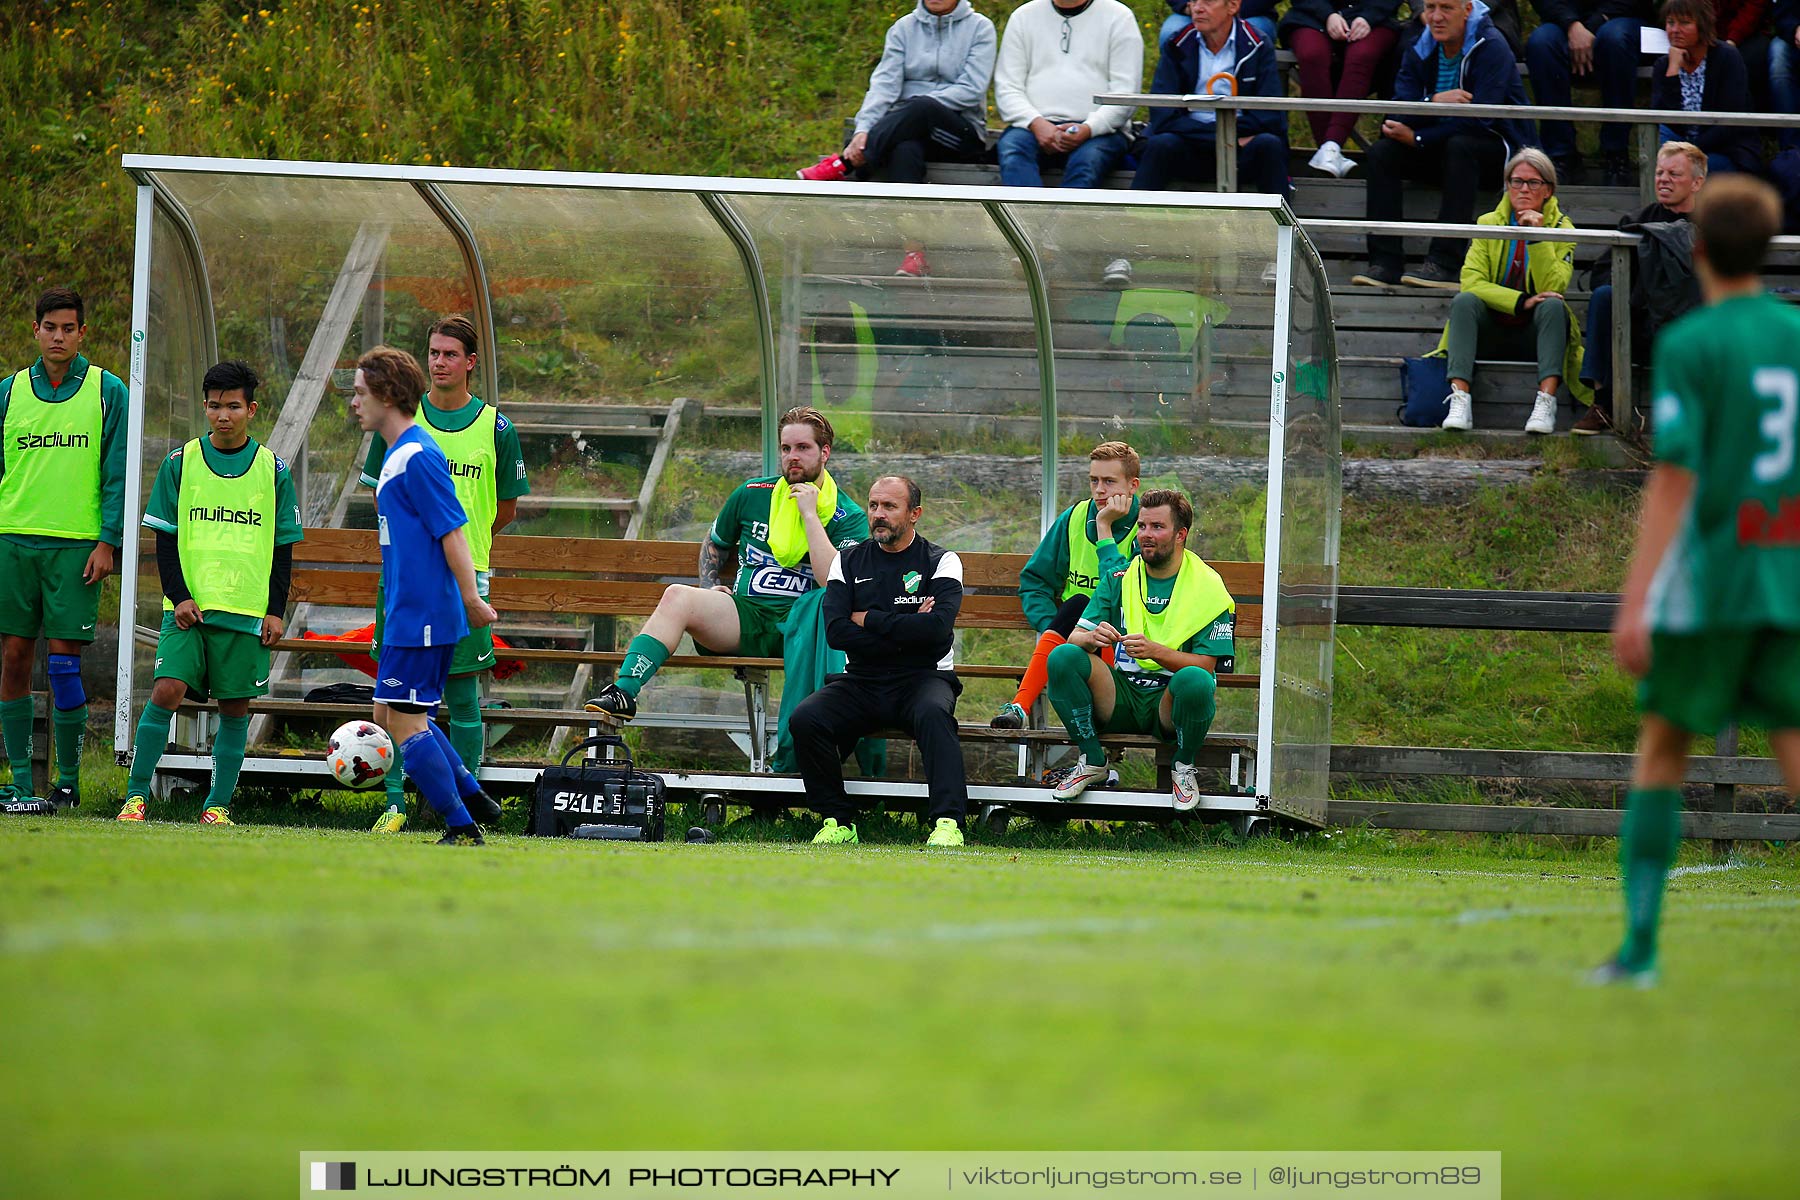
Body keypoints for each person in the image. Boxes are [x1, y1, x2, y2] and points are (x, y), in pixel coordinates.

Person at [1595, 175, 1800, 987]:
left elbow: (1674, 479)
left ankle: (1639, 951)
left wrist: (1637, 598)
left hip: (1714, 577)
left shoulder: (1692, 344)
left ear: (1699, 248)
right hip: (1787, 572)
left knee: (1662, 751)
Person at [584, 406, 868, 722]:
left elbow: (834, 582)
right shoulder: (752, 494)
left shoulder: (849, 515)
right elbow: (715, 542)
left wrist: (810, 515)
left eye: (803, 448)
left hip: (806, 629)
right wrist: (709, 584)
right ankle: (624, 691)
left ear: (824, 452)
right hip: (748, 617)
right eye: (786, 448)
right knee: (678, 595)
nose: (793, 457)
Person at [358, 315, 528, 834]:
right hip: (408, 600)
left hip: (427, 604)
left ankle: (461, 820)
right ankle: (474, 798)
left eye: (361, 392)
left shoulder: (417, 456)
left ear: (387, 396)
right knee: (391, 711)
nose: (354, 402)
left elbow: (455, 532)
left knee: (406, 718)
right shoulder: (401, 451)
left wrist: (470, 598)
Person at [115, 363, 303, 825]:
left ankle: (216, 805)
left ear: (251, 410)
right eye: (215, 405)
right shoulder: (180, 463)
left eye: (233, 406)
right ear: (205, 407)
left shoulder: (272, 469)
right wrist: (177, 596)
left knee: (234, 708)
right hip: (187, 610)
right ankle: (136, 797)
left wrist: (275, 612)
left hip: (245, 612)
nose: (223, 415)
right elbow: (163, 537)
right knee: (166, 690)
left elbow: (282, 548)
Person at [0, 287, 125, 813]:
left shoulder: (106, 390)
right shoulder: (8, 391)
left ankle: (69, 784)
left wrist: (108, 541)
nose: (58, 336)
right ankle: (23, 783)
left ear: (82, 333)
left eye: (68, 328)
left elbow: (116, 471)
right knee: (12, 659)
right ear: (36, 330)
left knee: (65, 665)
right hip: (12, 541)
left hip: (76, 547)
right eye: (50, 327)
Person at [791, 476, 967, 847]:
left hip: (924, 677)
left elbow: (936, 631)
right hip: (862, 679)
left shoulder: (942, 561)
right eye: (873, 506)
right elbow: (837, 631)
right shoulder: (847, 561)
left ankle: (948, 823)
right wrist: (908, 629)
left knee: (935, 716)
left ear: (914, 513)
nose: (878, 515)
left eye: (890, 507)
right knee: (806, 718)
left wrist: (869, 618)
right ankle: (837, 820)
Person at [1044, 489, 1235, 812]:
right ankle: (1092, 760)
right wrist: (1091, 639)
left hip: (1169, 704)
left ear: (1180, 534)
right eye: (1143, 526)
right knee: (1063, 656)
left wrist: (1155, 651)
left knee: (1196, 680)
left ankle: (1183, 767)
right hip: (1121, 696)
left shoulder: (1208, 587)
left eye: (1157, 527)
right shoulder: (1120, 577)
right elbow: (1076, 636)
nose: (1146, 535)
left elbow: (1205, 665)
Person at [1350, 0, 1536, 290]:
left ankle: (1445, 263)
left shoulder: (1492, 46)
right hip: (1440, 148)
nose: (1436, 17)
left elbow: (1481, 121)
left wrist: (1418, 138)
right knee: (1381, 153)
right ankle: (1385, 263)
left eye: (1446, 8)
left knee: (1461, 145)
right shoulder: (1419, 46)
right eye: (1430, 7)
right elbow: (1398, 109)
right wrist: (1433, 101)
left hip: (1496, 153)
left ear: (1468, 10)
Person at [1434, 149, 1590, 434]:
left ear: (1548, 190)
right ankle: (1460, 400)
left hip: (1538, 334)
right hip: (1490, 329)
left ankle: (1546, 402)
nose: (1524, 189)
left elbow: (1554, 287)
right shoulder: (1488, 223)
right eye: (1517, 181)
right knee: (1464, 301)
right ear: (1507, 185)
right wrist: (1521, 302)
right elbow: (1471, 281)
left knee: (1553, 306)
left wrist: (1537, 238)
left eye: (1533, 183)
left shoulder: (1563, 228)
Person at [992, 441, 1141, 731]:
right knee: (1077, 607)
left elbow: (1119, 590)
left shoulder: (1146, 526)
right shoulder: (1073, 519)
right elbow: (1035, 581)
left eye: (1109, 482)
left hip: (1123, 642)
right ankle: (1020, 708)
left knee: (1087, 605)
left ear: (1133, 485)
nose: (1099, 490)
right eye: (1093, 480)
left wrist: (1105, 526)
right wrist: (1055, 627)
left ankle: (1024, 706)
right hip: (1073, 638)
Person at [797, 0, 996, 208]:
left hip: (958, 133)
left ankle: (849, 163)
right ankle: (909, 233)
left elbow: (972, 89)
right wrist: (863, 128)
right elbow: (884, 85)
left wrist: (915, 108)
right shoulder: (903, 28)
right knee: (905, 150)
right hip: (905, 130)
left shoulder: (980, 28)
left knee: (923, 107)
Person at [1575, 141, 1708, 435]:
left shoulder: (1712, 226)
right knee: (1604, 296)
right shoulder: (1635, 222)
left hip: (1687, 328)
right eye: (1660, 173)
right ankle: (1603, 405)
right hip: (1639, 325)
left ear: (1697, 182)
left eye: (1674, 174)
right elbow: (1602, 272)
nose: (1663, 179)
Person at [1130, 0, 1290, 197]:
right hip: (1197, 146)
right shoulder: (1178, 43)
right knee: (1160, 144)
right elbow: (1163, 115)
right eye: (1193, 1)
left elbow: (1270, 117)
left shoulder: (1257, 43)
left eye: (1207, 1)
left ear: (1232, 6)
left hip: (1240, 153)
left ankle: (1282, 227)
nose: (1197, 8)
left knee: (1268, 145)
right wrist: (1221, 137)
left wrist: (1225, 137)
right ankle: (1130, 220)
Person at [993, 0, 1144, 189]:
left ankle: (1065, 219)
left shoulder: (1119, 17)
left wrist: (1089, 128)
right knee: (1013, 149)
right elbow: (1007, 86)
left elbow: (1125, 94)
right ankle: (1026, 217)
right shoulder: (1023, 16)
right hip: (1033, 127)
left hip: (1100, 132)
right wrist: (1036, 123)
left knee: (1088, 161)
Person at [1524, 0, 1650, 186]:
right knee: (1540, 43)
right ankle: (1561, 156)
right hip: (1563, 22)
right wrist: (1572, 25)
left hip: (1623, 18)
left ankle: (1616, 155)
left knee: (1614, 38)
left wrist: (1592, 27)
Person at [1280, 0, 1407, 178]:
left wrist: (1368, 17)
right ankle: (1329, 152)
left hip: (1374, 18)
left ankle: (1330, 148)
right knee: (1312, 54)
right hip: (1311, 16)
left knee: (1362, 55)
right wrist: (1328, 15)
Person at [1651, 0, 1761, 178]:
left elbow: (1729, 123)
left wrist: (1689, 153)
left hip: (1724, 151)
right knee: (1668, 167)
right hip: (1680, 150)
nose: (1675, 30)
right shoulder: (1664, 65)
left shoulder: (1727, 58)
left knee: (1680, 173)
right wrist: (1673, 71)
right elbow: (1663, 119)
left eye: (1685, 23)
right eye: (1670, 22)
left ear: (1702, 25)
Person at [1161, 0, 1277, 47]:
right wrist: (1187, 6)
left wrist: (1228, 9)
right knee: (1171, 33)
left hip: (1251, 13)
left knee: (1251, 35)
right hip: (1193, 11)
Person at [1773, 0, 1800, 149]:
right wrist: (1795, 28)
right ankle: (1791, 148)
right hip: (1793, 39)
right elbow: (1781, 12)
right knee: (1778, 59)